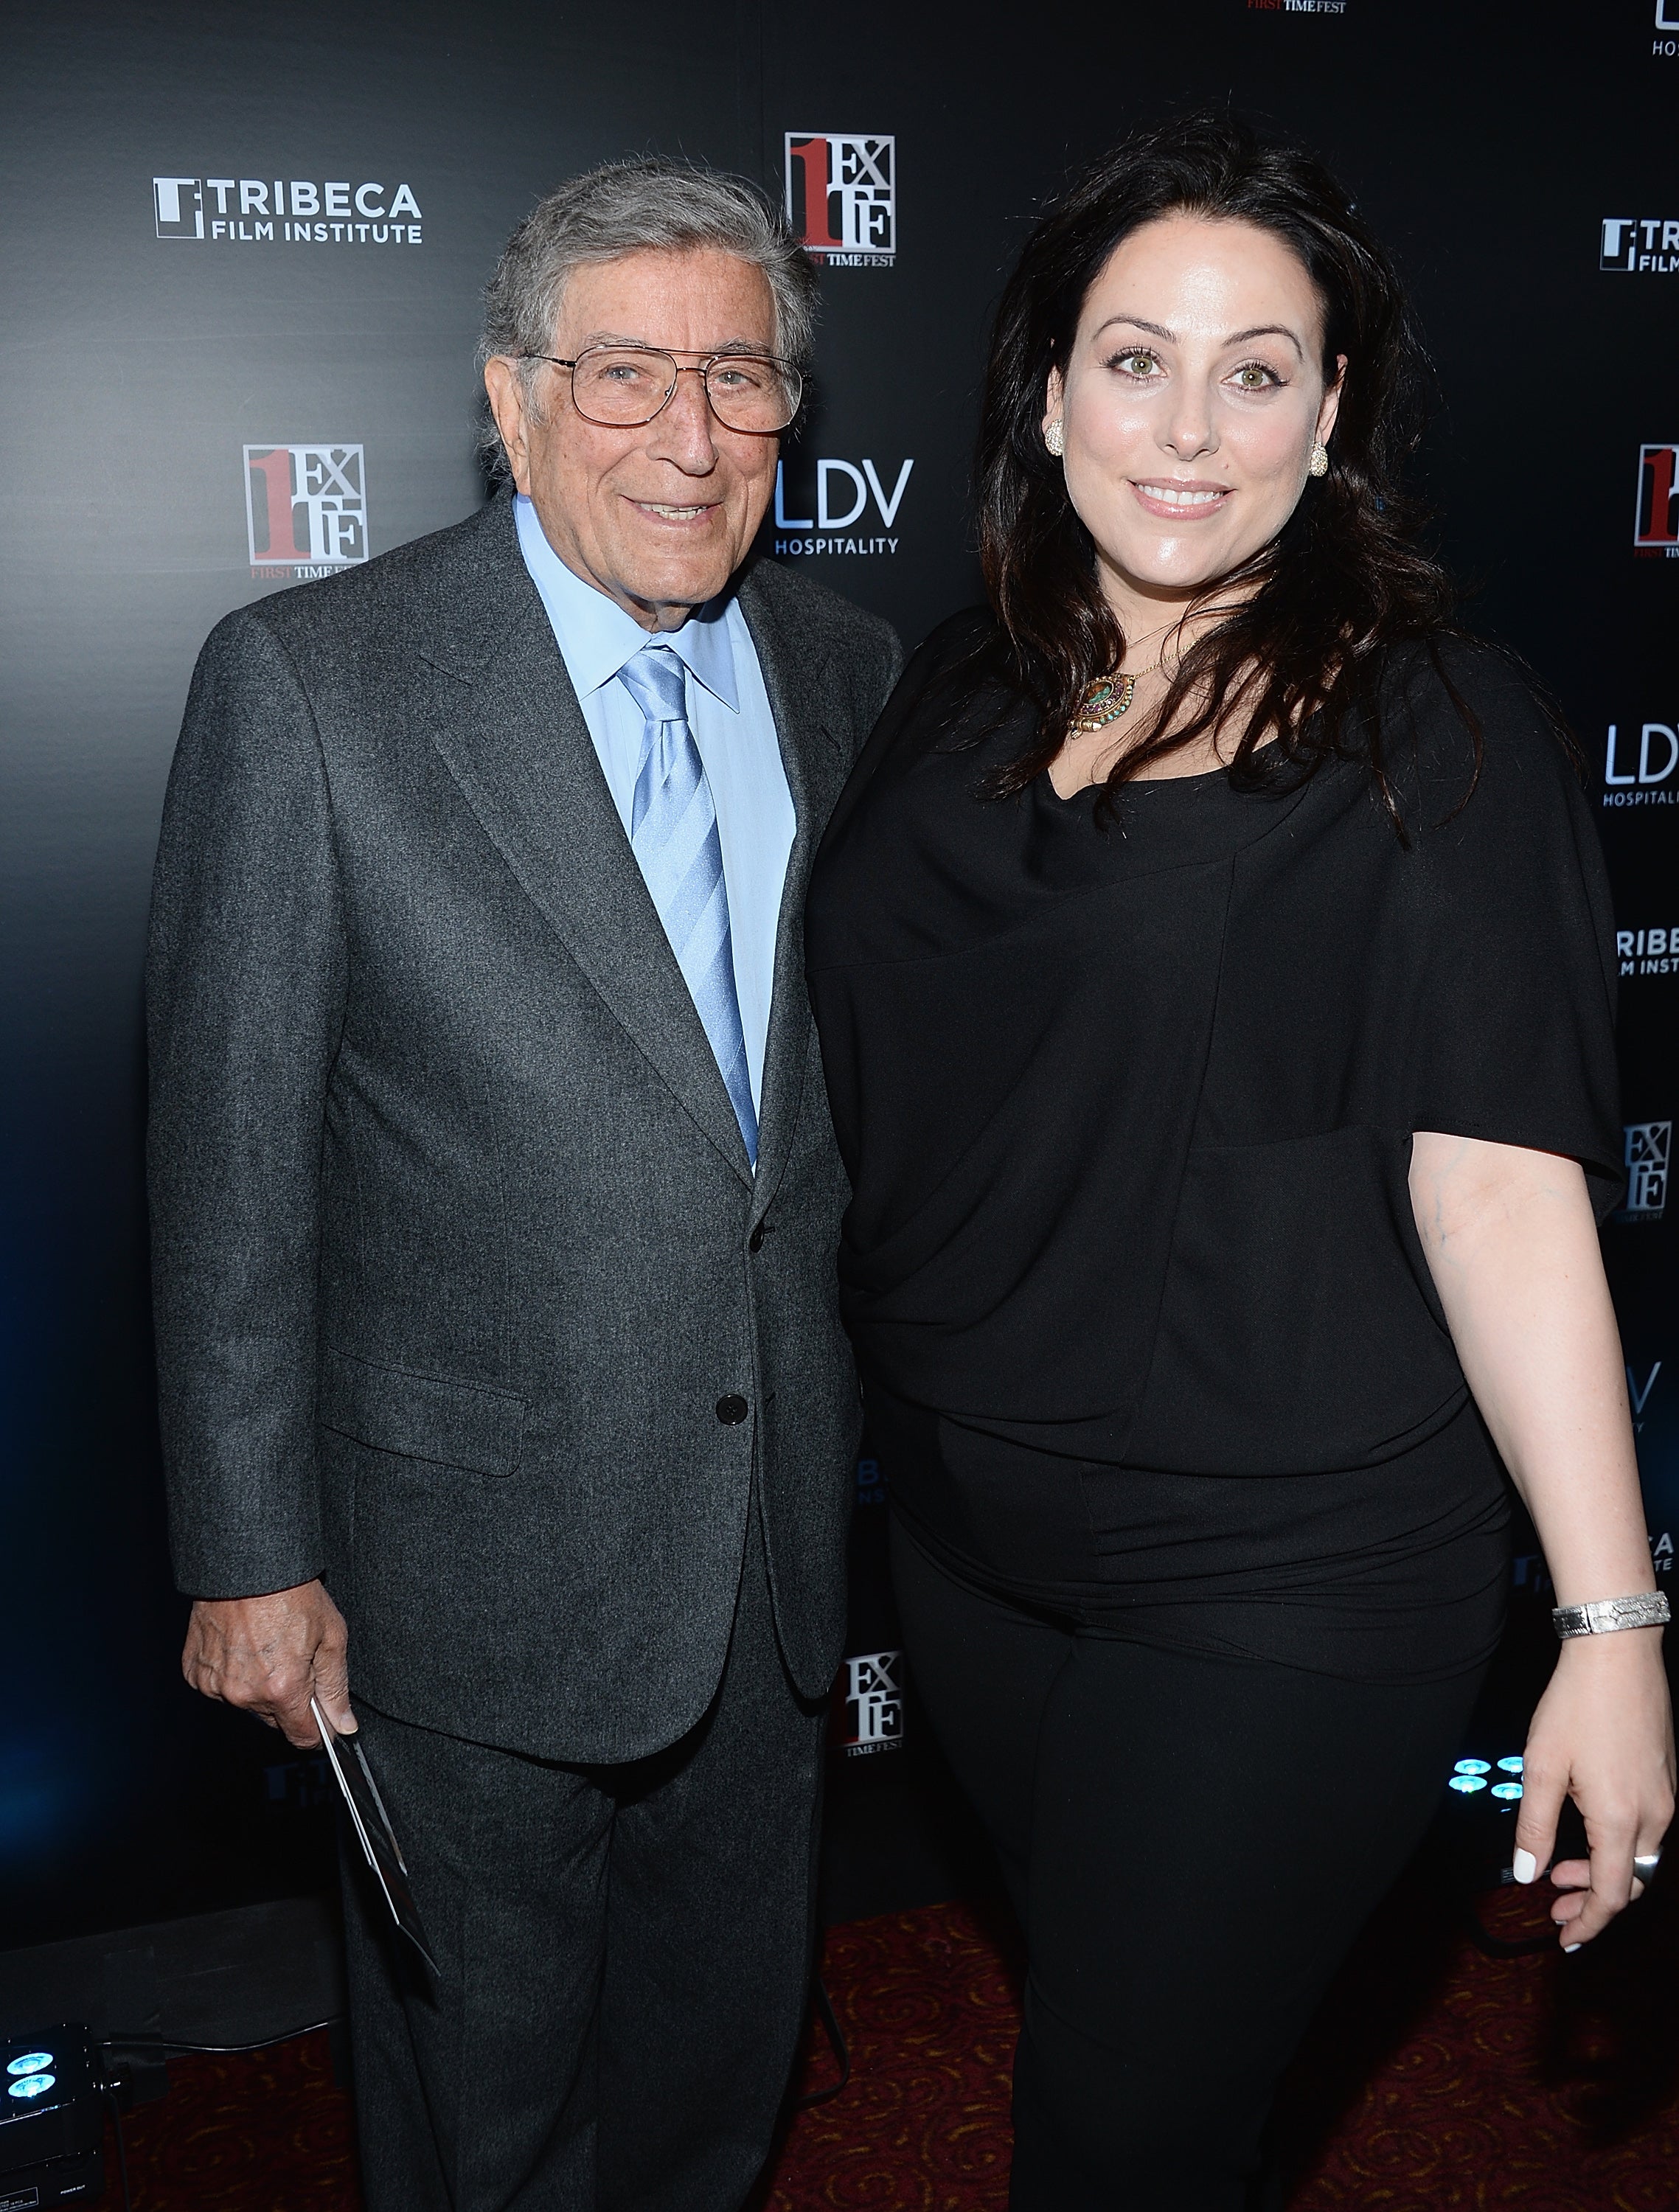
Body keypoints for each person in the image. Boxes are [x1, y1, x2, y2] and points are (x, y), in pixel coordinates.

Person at [804, 114, 1675, 2211]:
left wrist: (1614, 1623)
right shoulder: (955, 682)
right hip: (974, 1540)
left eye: (1257, 367)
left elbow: (1505, 1193)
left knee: (1118, 2130)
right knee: (1138, 2050)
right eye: (1134, 357)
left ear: (1334, 410)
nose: (1187, 425)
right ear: (1045, 387)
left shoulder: (1434, 731)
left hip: (1290, 1564)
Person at [148, 159, 900, 2212]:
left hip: (766, 1576)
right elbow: (229, 1153)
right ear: (511, 397)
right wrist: (247, 1549)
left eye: (740, 379)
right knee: (481, 2125)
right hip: (451, 1582)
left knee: (713, 2090)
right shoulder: (318, 685)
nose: (689, 433)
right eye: (627, 372)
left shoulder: (853, 679)